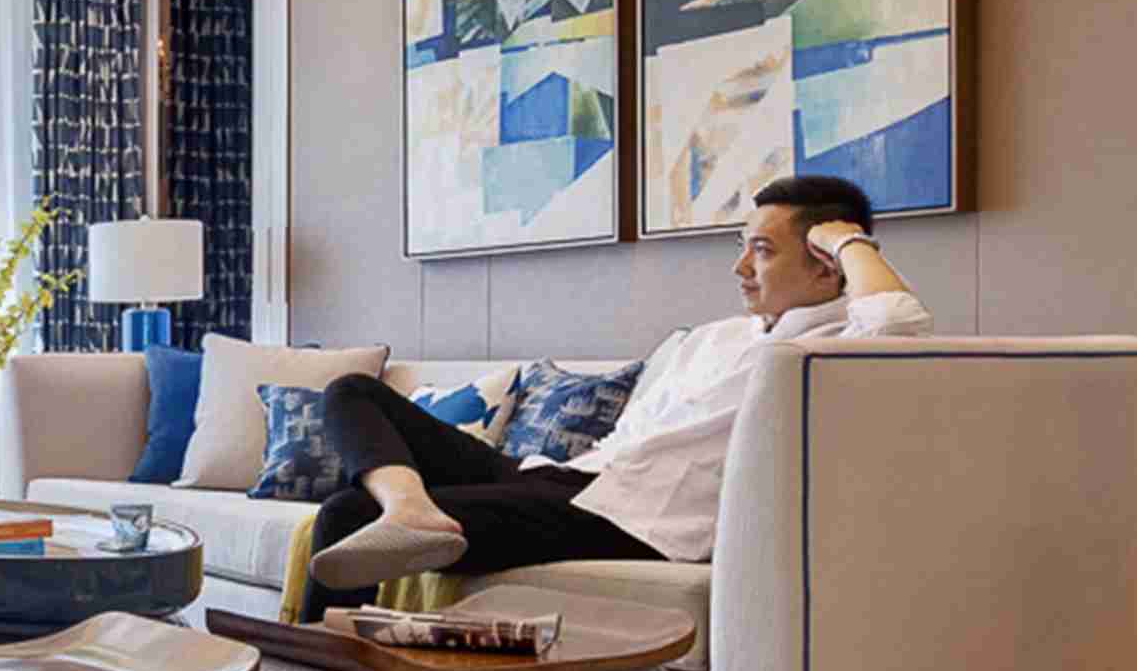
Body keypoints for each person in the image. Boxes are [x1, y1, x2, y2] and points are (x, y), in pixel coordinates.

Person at [304, 174, 930, 612]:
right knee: (352, 390)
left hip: (631, 520)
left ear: (826, 265)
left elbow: (900, 324)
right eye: (742, 247)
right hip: (571, 480)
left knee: (347, 515)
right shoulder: (711, 338)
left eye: (761, 251)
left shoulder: (835, 349)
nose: (740, 267)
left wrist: (848, 240)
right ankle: (409, 507)